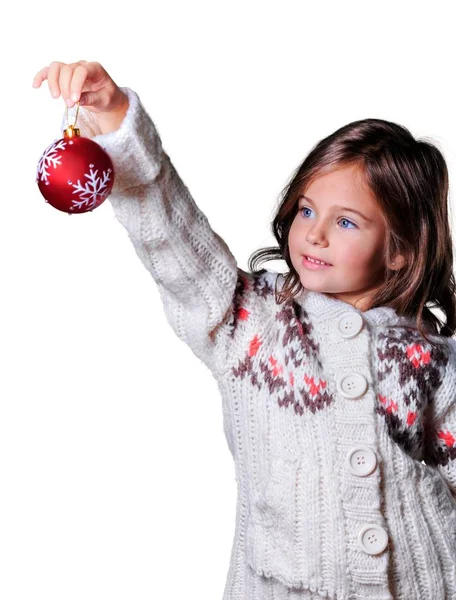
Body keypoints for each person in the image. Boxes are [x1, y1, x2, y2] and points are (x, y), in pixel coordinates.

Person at [32, 61, 456, 599]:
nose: (315, 234)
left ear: (399, 250)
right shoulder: (255, 321)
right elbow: (175, 240)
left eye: (346, 221)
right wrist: (116, 119)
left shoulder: (431, 355)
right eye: (306, 210)